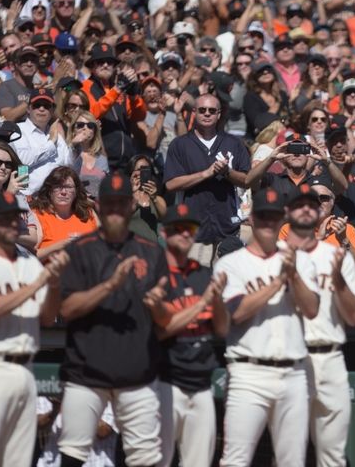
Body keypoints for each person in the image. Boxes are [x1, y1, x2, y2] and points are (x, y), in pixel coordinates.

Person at [57, 171, 171, 467]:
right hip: (86, 374)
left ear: (132, 205)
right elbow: (67, 310)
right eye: (110, 203)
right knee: (71, 456)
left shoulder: (151, 252)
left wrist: (158, 306)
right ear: (99, 206)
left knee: (145, 460)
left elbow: (166, 322)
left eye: (122, 203)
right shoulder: (80, 250)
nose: (116, 210)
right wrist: (109, 286)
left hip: (137, 376)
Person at [215, 187, 320, 466]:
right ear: (251, 218)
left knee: (292, 462)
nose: (268, 224)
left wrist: (293, 275)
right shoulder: (231, 263)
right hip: (248, 373)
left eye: (274, 217)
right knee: (235, 460)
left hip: (293, 373)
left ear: (283, 218)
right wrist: (277, 283)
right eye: (263, 217)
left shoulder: (299, 259)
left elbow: (312, 309)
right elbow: (237, 313)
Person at [0, 191, 68, 467]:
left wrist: (53, 286)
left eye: (17, 217)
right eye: (6, 218)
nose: (14, 223)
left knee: (18, 461)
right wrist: (38, 284)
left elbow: (47, 318)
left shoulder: (29, 262)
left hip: (26, 370)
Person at [284, 183, 355, 467]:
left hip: (330, 357)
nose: (312, 206)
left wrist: (338, 278)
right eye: (304, 202)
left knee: (332, 456)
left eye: (320, 200)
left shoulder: (337, 256)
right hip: (292, 359)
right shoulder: (276, 255)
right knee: (289, 455)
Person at [156, 203, 229, 467]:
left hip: (201, 383)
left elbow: (221, 329)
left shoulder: (203, 274)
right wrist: (201, 304)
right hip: (165, 382)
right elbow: (161, 331)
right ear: (164, 234)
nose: (185, 234)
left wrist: (217, 300)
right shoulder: (156, 274)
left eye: (190, 229)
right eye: (178, 229)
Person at [164, 94, 249, 266]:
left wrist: (227, 172)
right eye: (202, 110)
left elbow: (248, 180)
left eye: (212, 110)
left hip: (228, 225)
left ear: (219, 114)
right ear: (194, 112)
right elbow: (171, 184)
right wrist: (205, 174)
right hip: (193, 229)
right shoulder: (180, 144)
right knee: (198, 283)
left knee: (227, 282)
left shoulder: (234, 143)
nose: (207, 114)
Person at [11, 88, 73, 196]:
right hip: (28, 198)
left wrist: (76, 145)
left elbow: (68, 166)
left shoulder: (56, 135)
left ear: (52, 110)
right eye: (37, 105)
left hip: (54, 199)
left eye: (46, 105)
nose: (41, 109)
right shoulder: (18, 130)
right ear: (29, 109)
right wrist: (51, 144)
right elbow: (22, 162)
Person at [28, 167, 98, 259]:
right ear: (49, 191)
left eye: (68, 187)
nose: (63, 192)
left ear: (76, 191)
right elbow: (30, 257)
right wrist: (58, 247)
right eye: (58, 187)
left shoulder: (87, 213)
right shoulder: (37, 214)